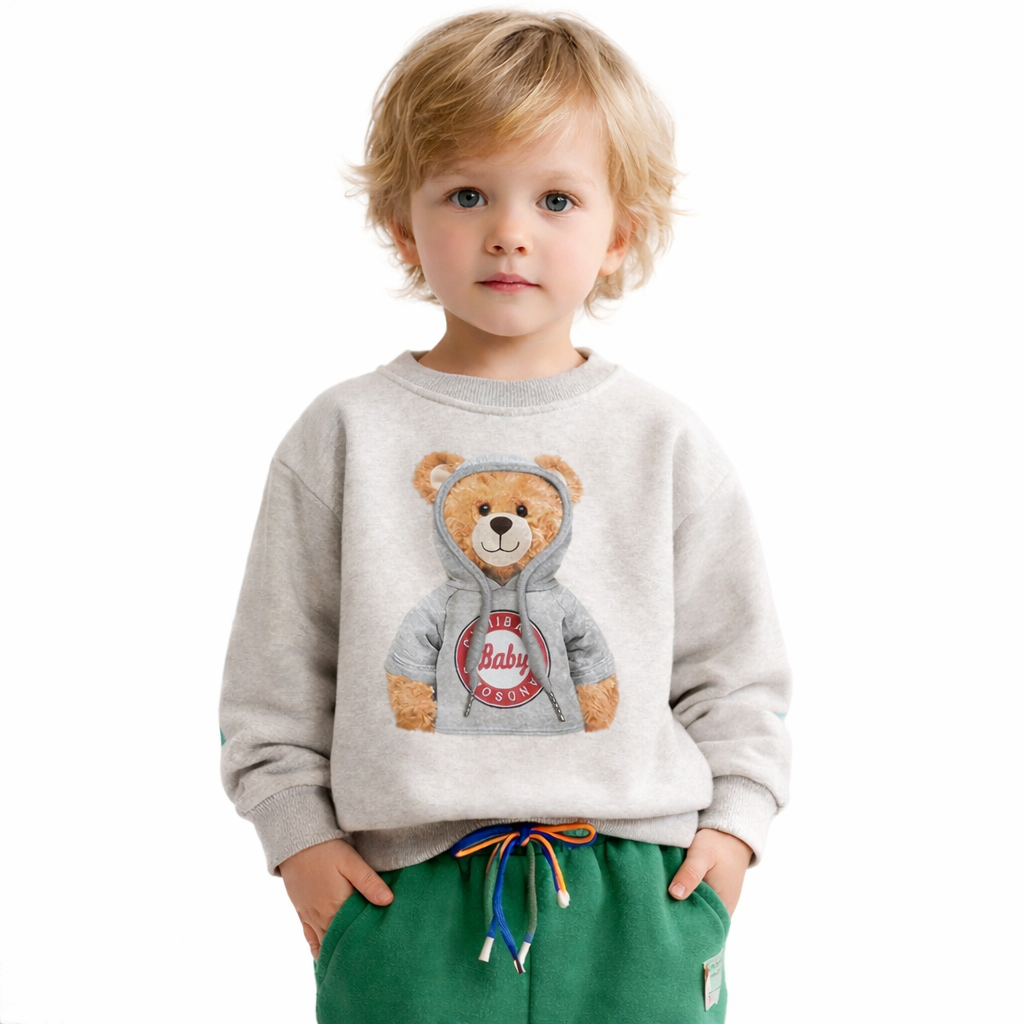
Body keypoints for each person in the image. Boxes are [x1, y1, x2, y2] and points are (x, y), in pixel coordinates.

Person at [220, 10, 791, 1023]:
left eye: (557, 198)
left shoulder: (663, 438)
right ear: (403, 223)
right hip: (404, 896)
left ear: (620, 233)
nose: (510, 231)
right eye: (467, 193)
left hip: (640, 889)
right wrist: (298, 837)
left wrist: (734, 832)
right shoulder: (343, 433)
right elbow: (275, 678)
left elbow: (734, 668)